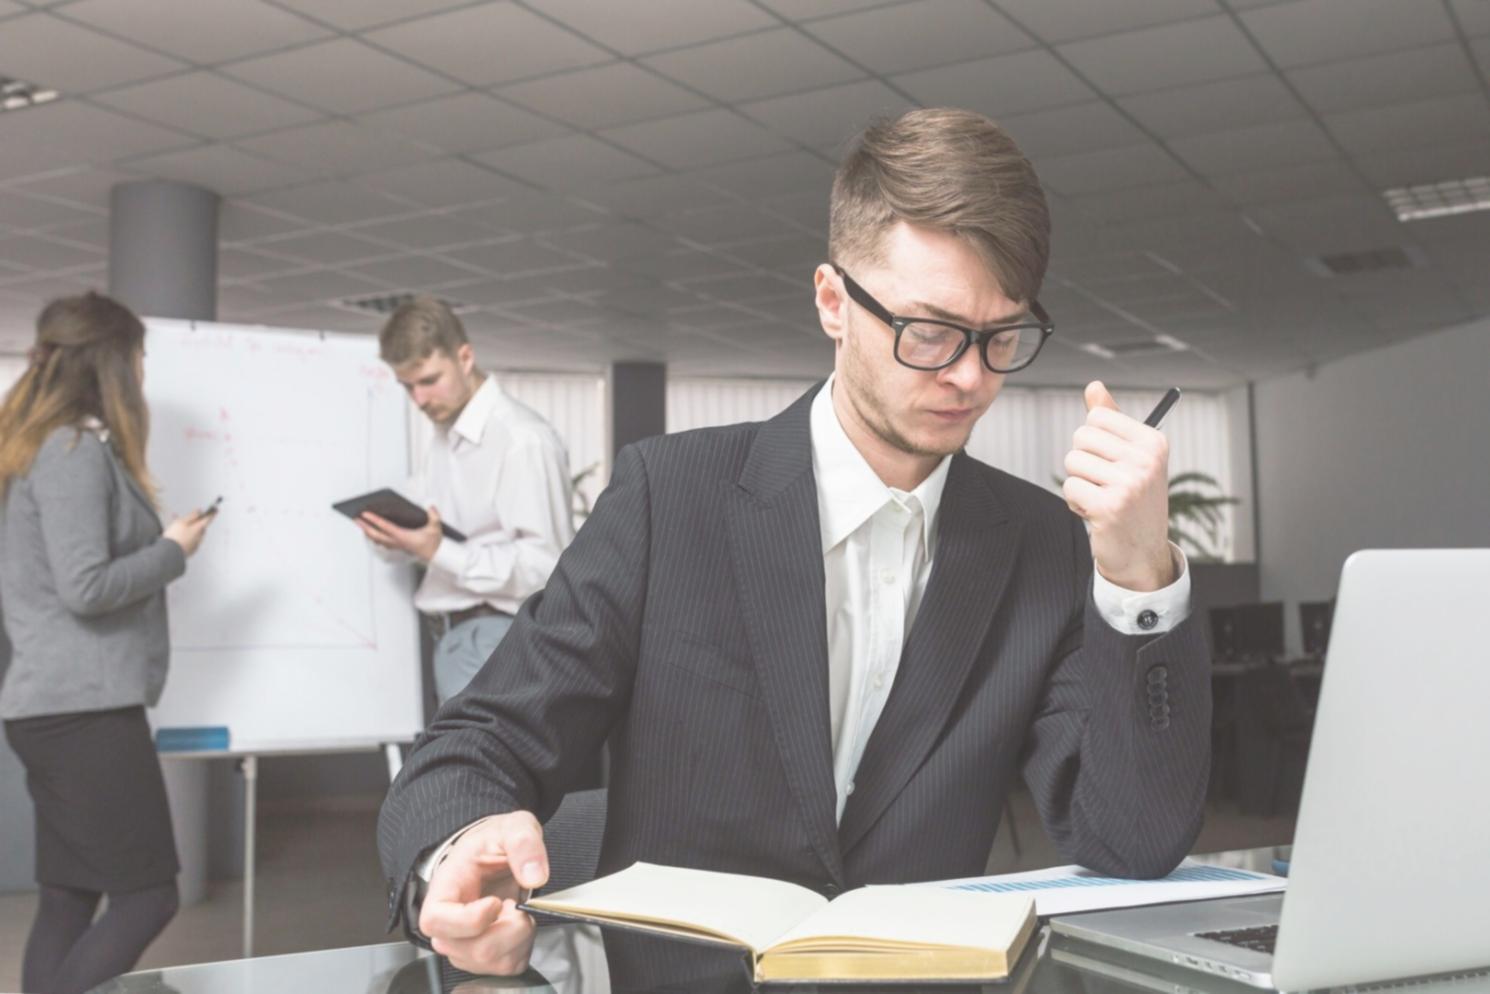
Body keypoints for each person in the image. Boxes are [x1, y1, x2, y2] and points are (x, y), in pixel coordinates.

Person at [377, 108, 1212, 982]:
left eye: (1003, 337)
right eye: (928, 332)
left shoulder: (1044, 545)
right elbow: (480, 741)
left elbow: (1134, 837)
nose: (969, 376)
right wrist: (456, 847)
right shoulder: (673, 496)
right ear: (831, 303)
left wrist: (1138, 572)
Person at [0, 292, 215, 994]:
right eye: (140, 356)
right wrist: (171, 548)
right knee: (149, 896)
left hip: (58, 710)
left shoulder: (49, 443)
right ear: (112, 363)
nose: (145, 371)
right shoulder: (69, 450)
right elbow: (85, 587)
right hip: (83, 713)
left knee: (69, 895)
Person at [356, 296, 575, 705]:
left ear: (465, 357)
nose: (419, 400)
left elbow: (546, 568)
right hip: (461, 640)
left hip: (497, 640)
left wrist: (439, 551)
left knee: (480, 771)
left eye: (429, 380)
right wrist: (394, 536)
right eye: (408, 386)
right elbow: (432, 514)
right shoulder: (445, 434)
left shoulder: (521, 440)